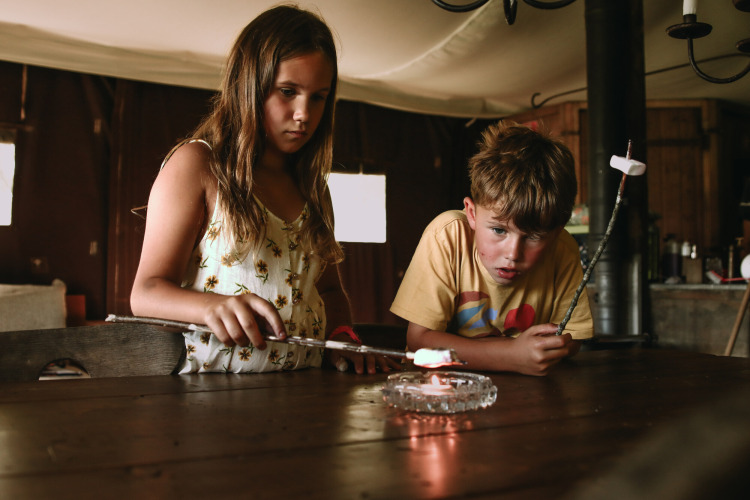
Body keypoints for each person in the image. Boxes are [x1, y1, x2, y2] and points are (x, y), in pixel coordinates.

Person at [131, 5, 398, 375]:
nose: (304, 113)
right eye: (288, 91)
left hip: (306, 396)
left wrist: (343, 338)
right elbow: (145, 293)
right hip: (205, 403)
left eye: (318, 97)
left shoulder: (314, 188)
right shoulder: (197, 165)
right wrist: (210, 306)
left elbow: (331, 293)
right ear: (248, 85)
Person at [390, 121, 594, 376]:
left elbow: (573, 338)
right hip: (444, 395)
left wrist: (550, 348)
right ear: (472, 213)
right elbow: (419, 342)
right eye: (499, 231)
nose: (512, 254)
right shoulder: (447, 236)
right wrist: (511, 355)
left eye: (533, 236)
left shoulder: (563, 249)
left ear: (557, 231)